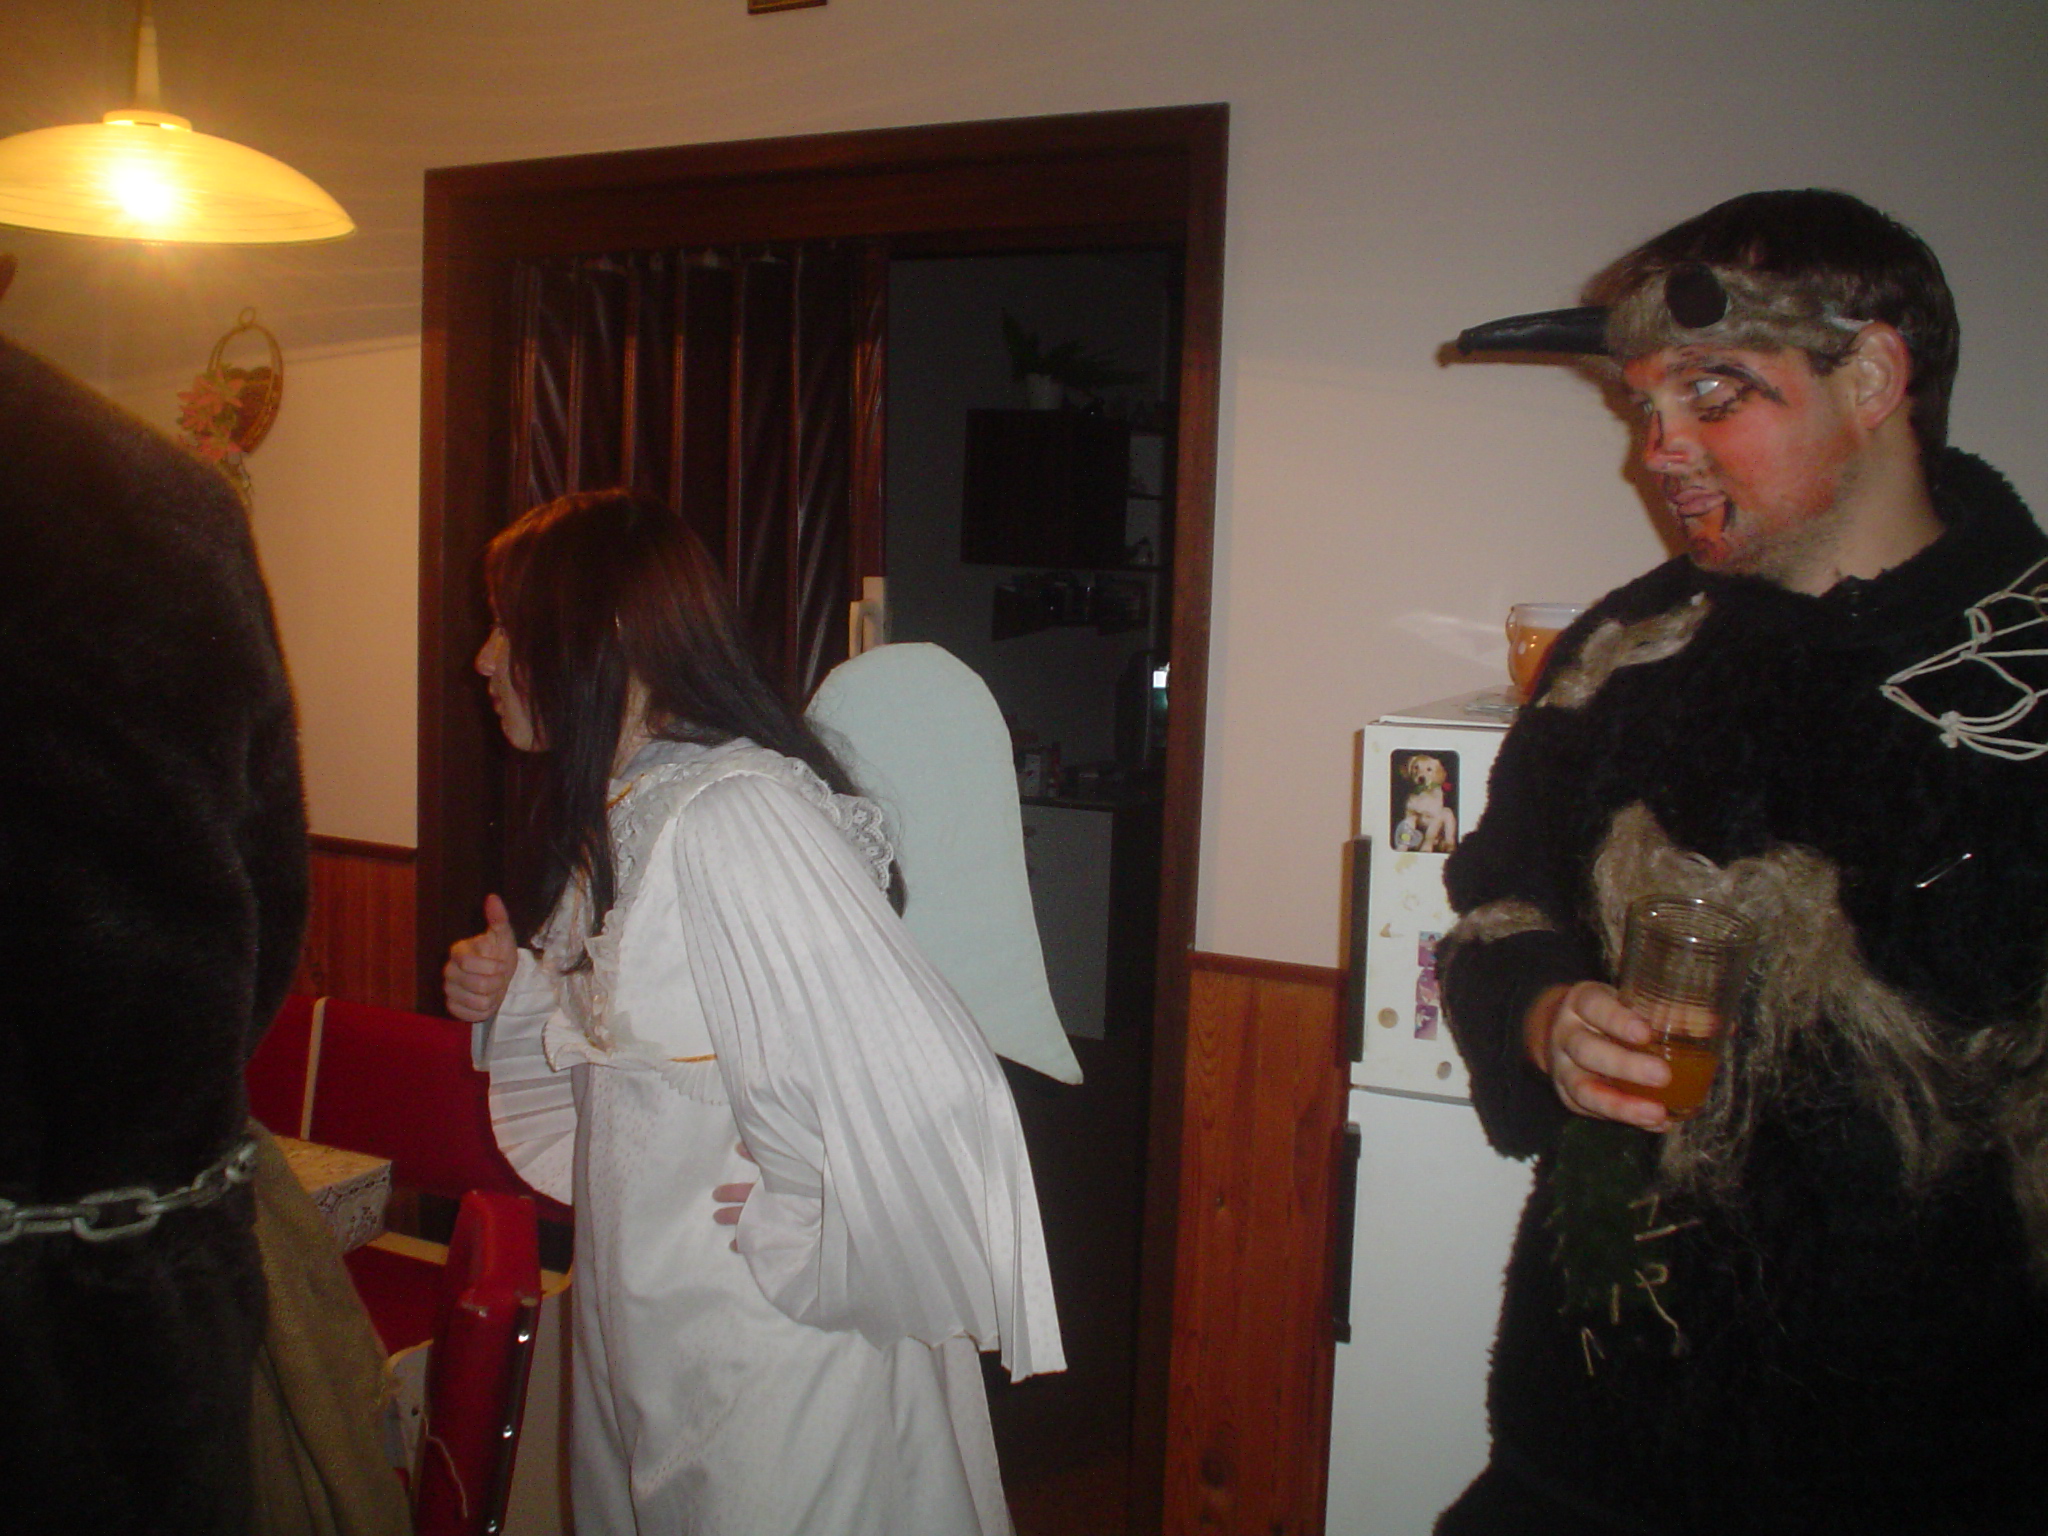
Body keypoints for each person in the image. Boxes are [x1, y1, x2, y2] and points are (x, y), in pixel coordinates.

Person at [1436, 190, 2048, 1534]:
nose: (1659, 451)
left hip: (1935, 1477)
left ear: (1871, 378)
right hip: (1581, 1450)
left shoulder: (2024, 678)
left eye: (1713, 396)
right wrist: (1541, 1015)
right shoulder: (1620, 656)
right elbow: (1495, 897)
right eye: (1643, 407)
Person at [443, 487, 1063, 1534]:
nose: (485, 658)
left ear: (601, 635)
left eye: (509, 625)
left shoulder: (734, 816)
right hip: (649, 1324)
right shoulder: (634, 811)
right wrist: (517, 994)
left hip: (767, 1355)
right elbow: (648, 1048)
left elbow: (928, 1078)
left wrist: (808, 1215)